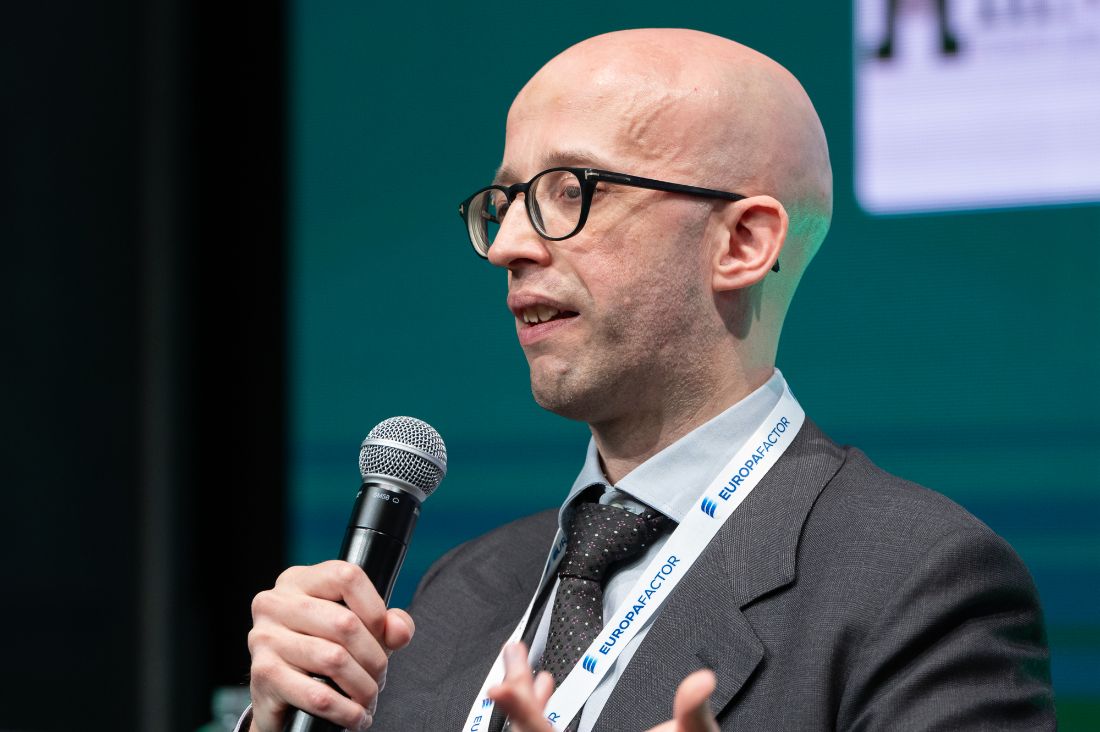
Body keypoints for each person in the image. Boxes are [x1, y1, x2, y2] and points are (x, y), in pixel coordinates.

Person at [241, 29, 1054, 731]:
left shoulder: (915, 581)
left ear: (742, 244)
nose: (509, 245)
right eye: (507, 200)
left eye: (571, 191)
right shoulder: (462, 588)